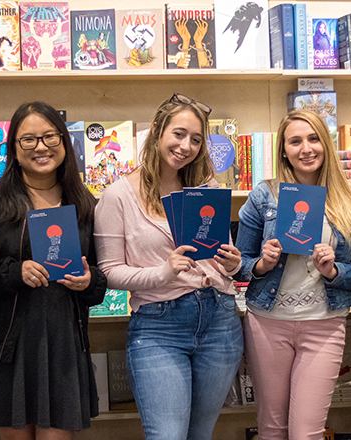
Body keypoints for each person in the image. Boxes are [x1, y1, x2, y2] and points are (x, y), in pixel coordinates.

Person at [94, 93, 243, 440]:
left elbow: (224, 260)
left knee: (200, 435)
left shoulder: (205, 188)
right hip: (159, 327)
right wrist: (164, 271)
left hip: (219, 318)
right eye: (178, 134)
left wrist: (233, 264)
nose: (186, 146)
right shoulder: (118, 196)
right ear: (157, 130)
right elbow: (110, 271)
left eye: (195, 139)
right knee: (167, 435)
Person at [0, 101, 107, 440]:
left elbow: (101, 279)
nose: (40, 147)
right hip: (7, 345)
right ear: (13, 147)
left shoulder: (85, 203)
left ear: (64, 141)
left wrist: (88, 282)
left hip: (62, 343)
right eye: (28, 139)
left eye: (49, 137)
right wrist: (16, 273)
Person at [234, 110, 351, 440]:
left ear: (325, 144)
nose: (306, 148)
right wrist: (262, 264)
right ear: (283, 149)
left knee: (306, 433)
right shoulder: (264, 196)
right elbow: (239, 265)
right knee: (271, 428)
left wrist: (334, 270)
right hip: (268, 323)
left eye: (313, 139)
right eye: (295, 141)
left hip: (324, 325)